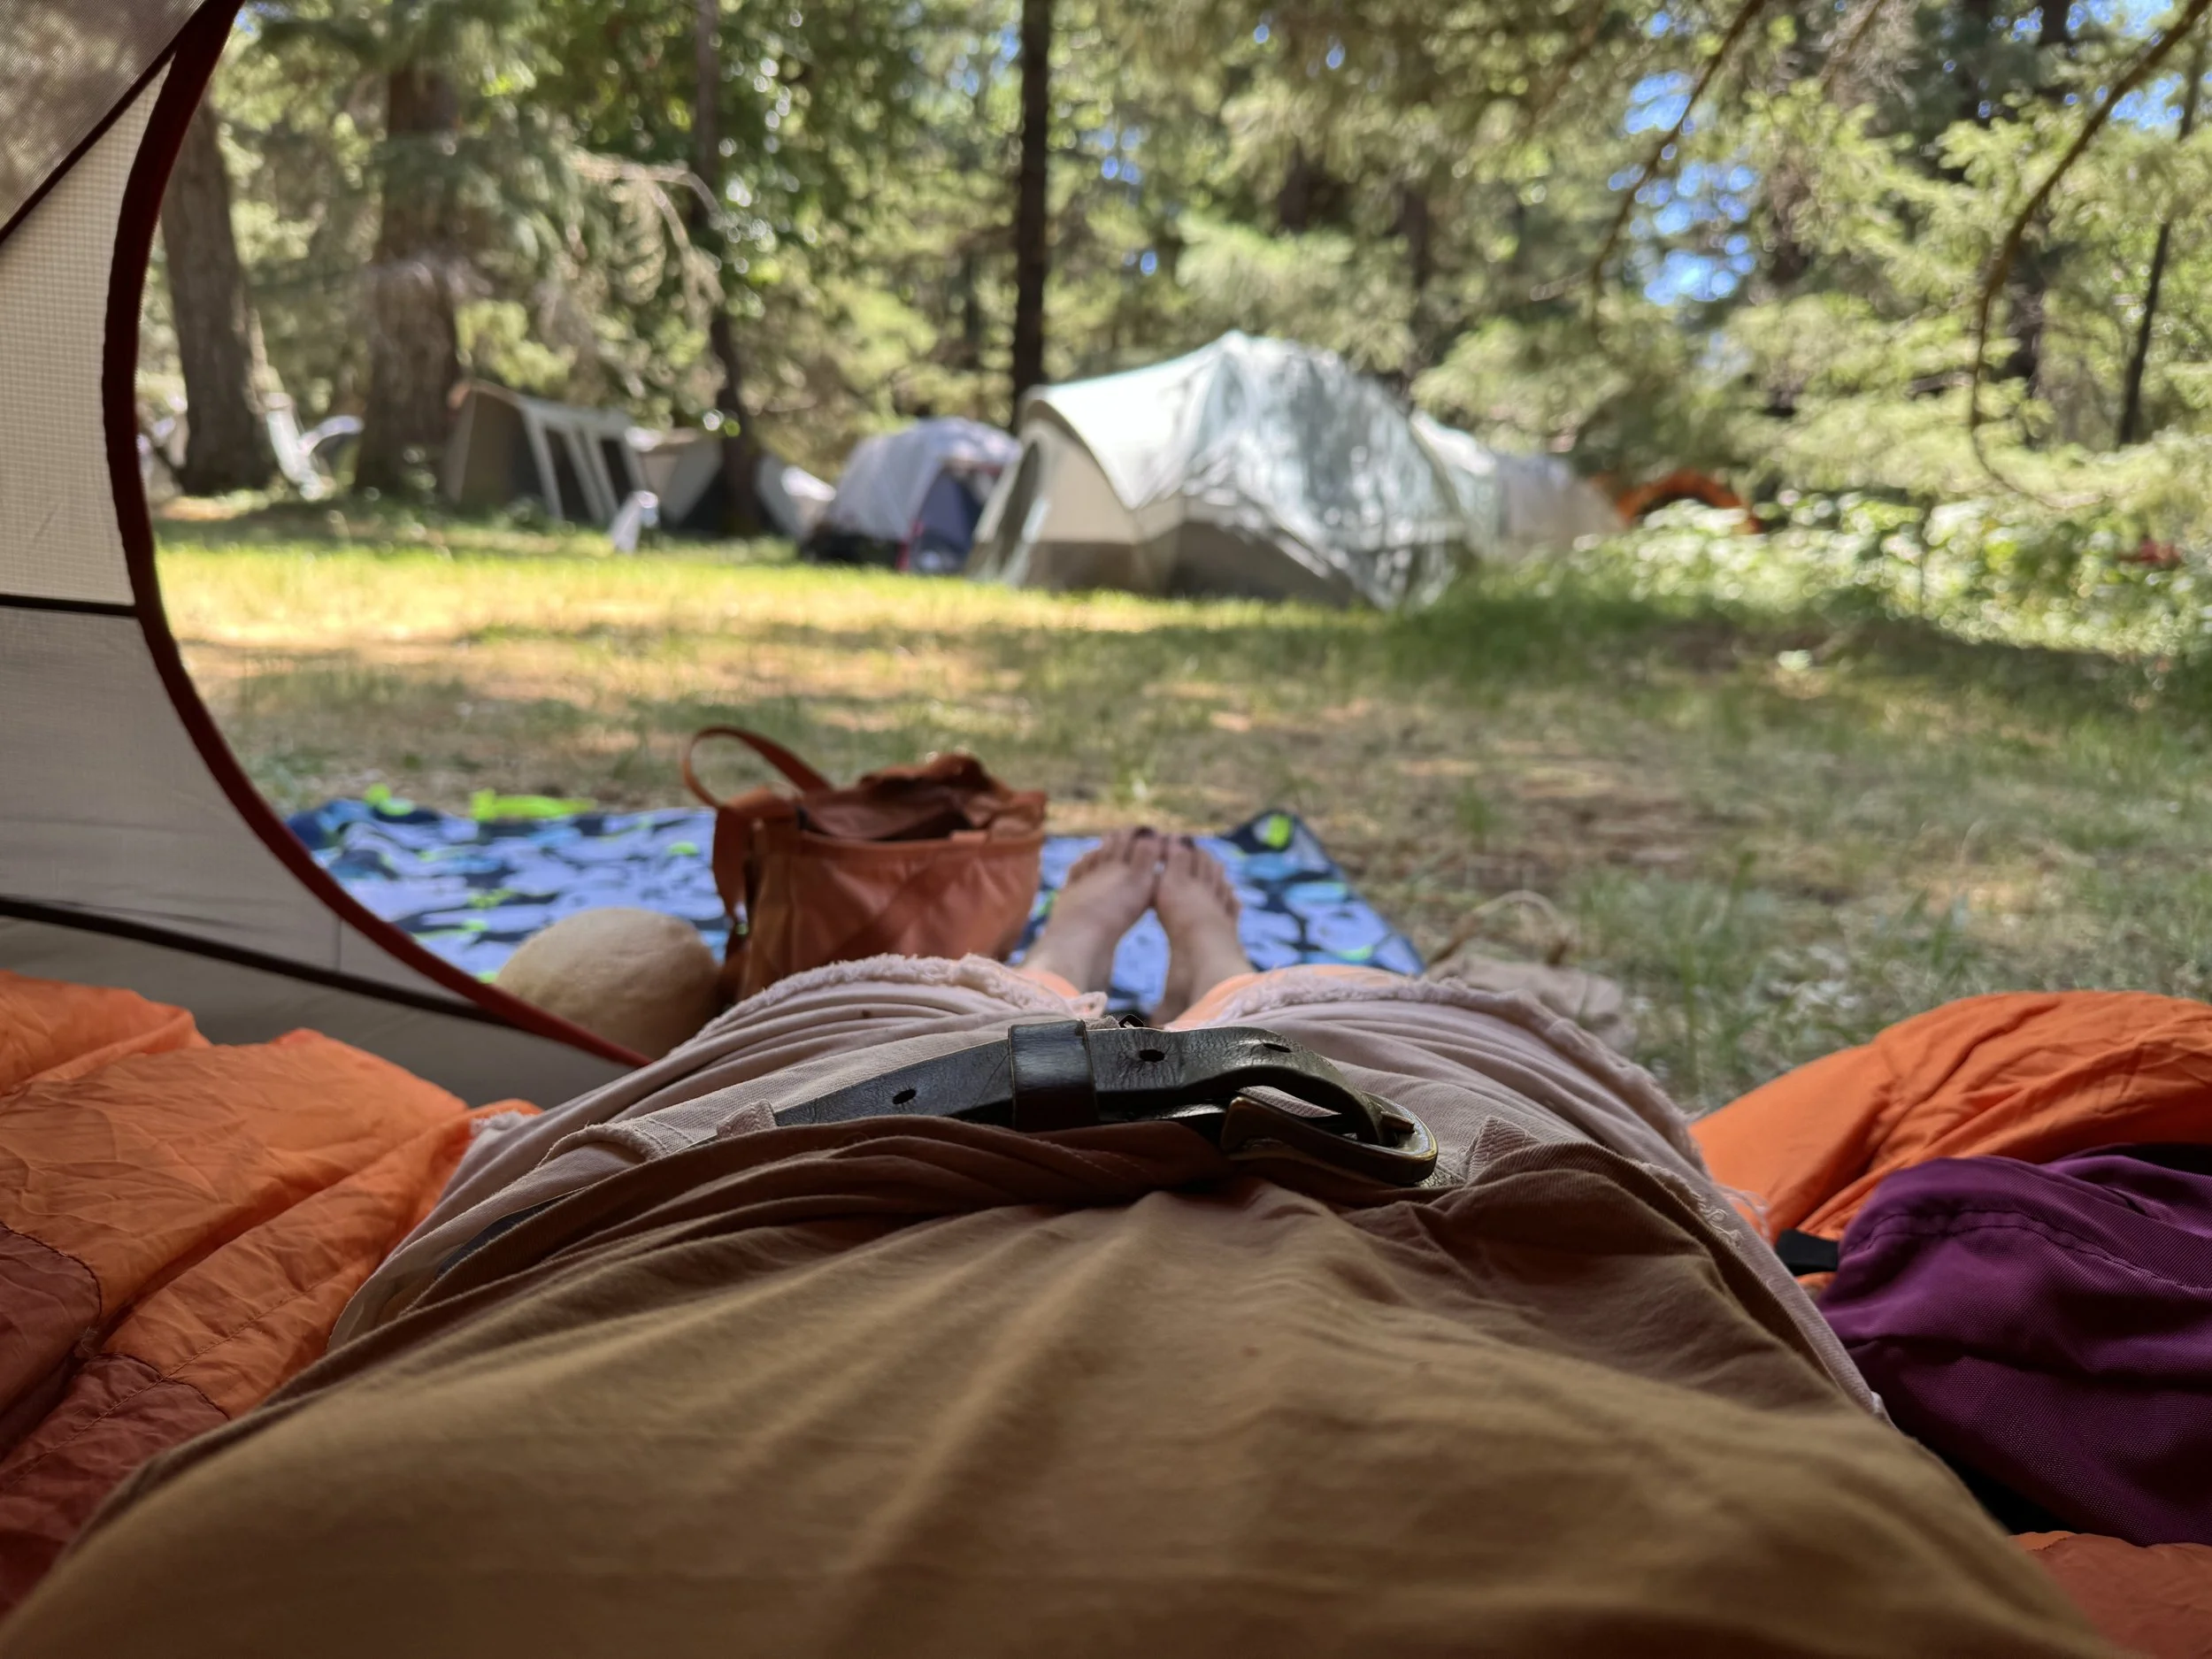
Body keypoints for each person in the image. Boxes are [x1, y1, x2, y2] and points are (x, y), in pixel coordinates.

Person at [0, 834, 2108, 1658]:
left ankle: (1055, 961)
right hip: (1472, 1197)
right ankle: (1203, 964)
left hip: (702, 1202)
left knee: (897, 1014)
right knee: (1355, 1023)